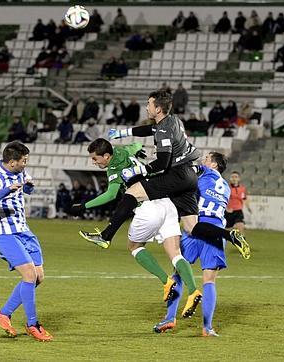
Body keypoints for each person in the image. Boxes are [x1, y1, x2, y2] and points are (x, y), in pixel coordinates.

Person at [79, 90, 250, 258]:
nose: (146, 107)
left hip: (176, 175)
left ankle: (106, 236)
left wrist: (137, 170)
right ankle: (230, 235)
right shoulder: (173, 120)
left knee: (132, 193)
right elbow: (150, 129)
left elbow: (162, 162)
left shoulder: (163, 131)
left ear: (158, 109)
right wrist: (124, 133)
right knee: (192, 227)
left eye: (149, 104)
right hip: (189, 176)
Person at [73, 138, 204, 318]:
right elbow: (136, 145)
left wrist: (83, 206)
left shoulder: (114, 168)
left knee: (134, 246)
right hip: (167, 203)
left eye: (95, 159)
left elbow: (111, 195)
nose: (94, 162)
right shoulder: (123, 150)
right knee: (175, 253)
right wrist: (139, 152)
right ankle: (194, 291)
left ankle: (166, 282)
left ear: (106, 156)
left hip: (147, 207)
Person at [154, 152, 232, 337]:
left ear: (213, 165)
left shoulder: (205, 172)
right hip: (215, 230)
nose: (202, 161)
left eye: (206, 159)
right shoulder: (226, 187)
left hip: (195, 227)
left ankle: (169, 318)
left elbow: (187, 170)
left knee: (179, 274)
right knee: (209, 281)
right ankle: (207, 328)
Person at [0, 141, 53, 342]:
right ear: (12, 162)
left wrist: (29, 187)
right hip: (4, 232)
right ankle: (32, 324)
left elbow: (25, 191)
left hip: (23, 229)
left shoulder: (20, 172)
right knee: (29, 275)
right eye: (24, 161)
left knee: (38, 276)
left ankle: (4, 313)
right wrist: (6, 190)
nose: (26, 164)